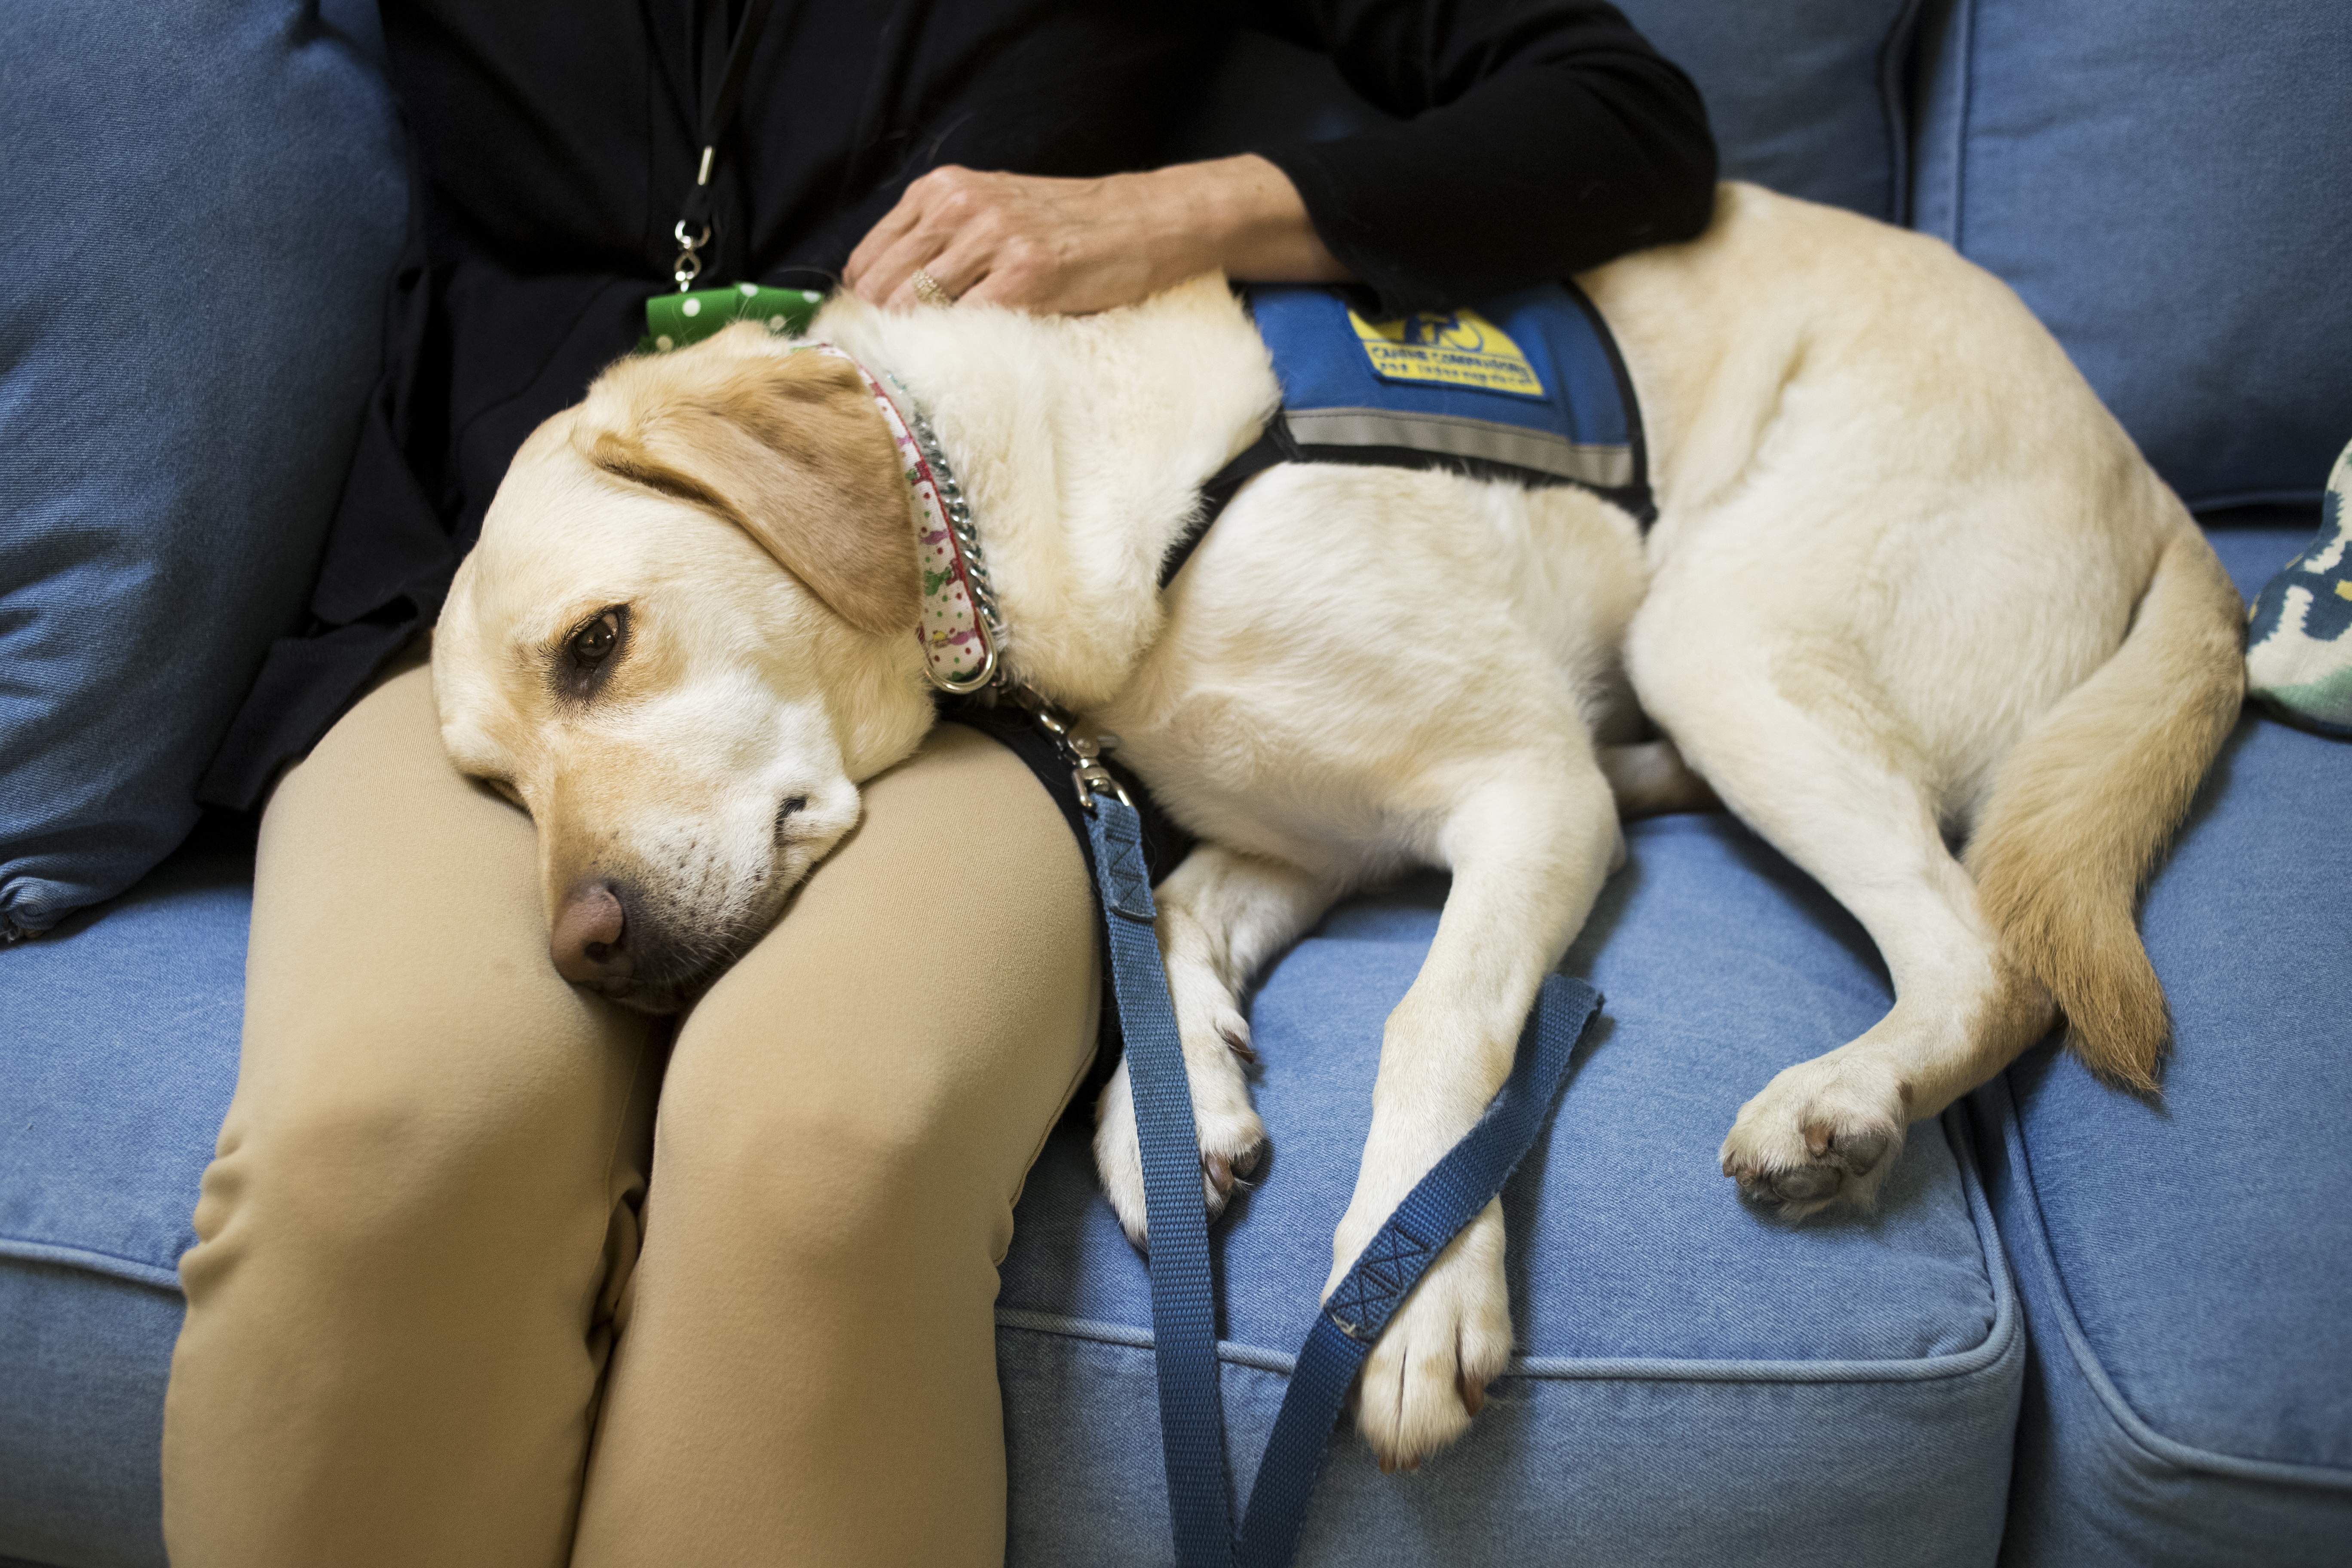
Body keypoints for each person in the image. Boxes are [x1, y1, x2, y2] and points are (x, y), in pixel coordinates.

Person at [162, 3, 1715, 1563]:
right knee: (381, 1144)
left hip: (993, 631)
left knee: (820, 1149)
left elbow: (1624, 123)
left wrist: (1163, 209)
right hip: (477, 623)